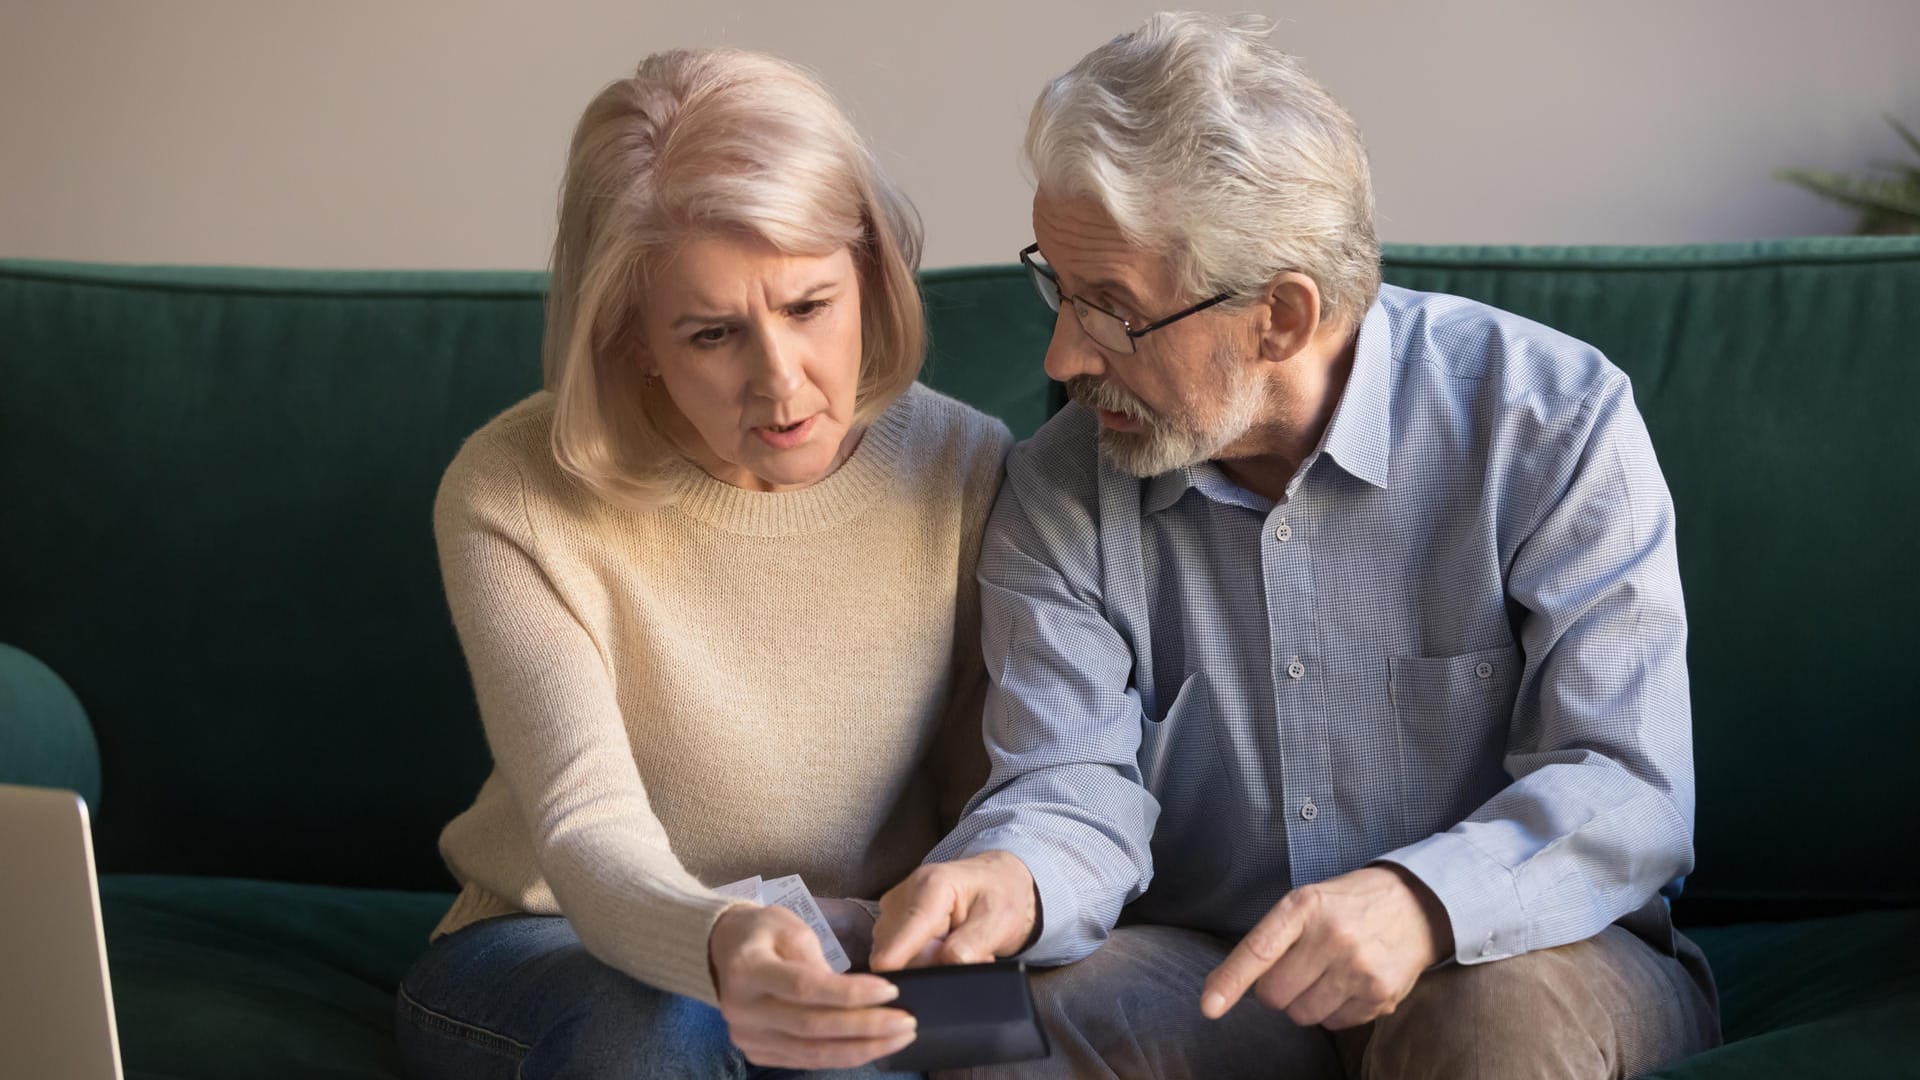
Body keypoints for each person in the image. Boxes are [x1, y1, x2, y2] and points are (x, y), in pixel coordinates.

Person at [869, 12, 1721, 1078]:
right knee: (967, 1023)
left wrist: (1423, 902)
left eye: (1111, 310)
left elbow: (1626, 785)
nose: (1061, 354)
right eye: (1058, 286)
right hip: (1220, 976)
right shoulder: (1057, 490)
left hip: (1524, 953)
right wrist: (1015, 878)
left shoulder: (1551, 422)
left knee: (1487, 1024)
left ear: (1279, 315)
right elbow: (1067, 786)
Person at [393, 47, 1012, 1079]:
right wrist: (725, 944)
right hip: (561, 947)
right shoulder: (509, 493)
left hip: (857, 944)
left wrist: (886, 942)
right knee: (673, 1035)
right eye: (713, 333)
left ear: (868, 269)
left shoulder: (966, 465)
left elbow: (985, 798)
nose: (781, 385)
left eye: (811, 306)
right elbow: (586, 832)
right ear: (632, 335)